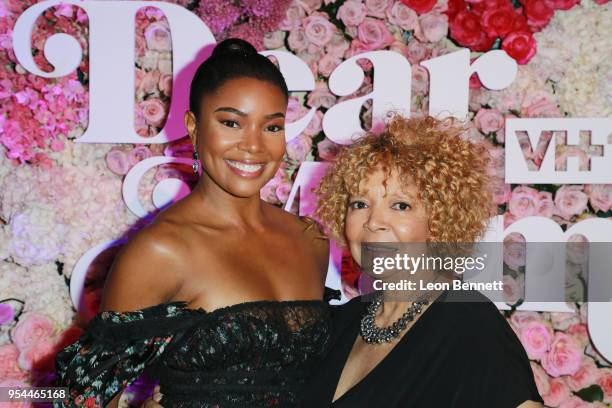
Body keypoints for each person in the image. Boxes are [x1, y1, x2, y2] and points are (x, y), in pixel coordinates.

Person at [54, 38, 338, 408]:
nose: (253, 146)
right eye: (231, 122)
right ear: (193, 126)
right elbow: (80, 396)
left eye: (271, 127)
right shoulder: (161, 251)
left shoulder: (309, 239)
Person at [304, 114, 544, 407]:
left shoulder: (470, 326)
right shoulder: (343, 322)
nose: (374, 221)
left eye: (400, 205)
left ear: (440, 219)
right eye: (360, 204)